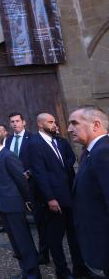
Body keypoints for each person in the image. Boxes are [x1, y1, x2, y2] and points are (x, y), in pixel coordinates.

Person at [28, 112, 88, 278]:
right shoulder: (34, 143)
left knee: (74, 233)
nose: (55, 124)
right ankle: (62, 271)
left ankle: (80, 267)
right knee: (55, 236)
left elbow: (68, 162)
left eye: (54, 121)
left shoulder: (59, 141)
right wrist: (50, 198)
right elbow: (39, 173)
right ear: (40, 124)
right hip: (53, 199)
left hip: (69, 195)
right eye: (50, 121)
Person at [0, 129, 40, 279]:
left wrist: (27, 200)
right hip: (4, 205)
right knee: (16, 241)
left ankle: (33, 274)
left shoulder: (8, 156)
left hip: (13, 205)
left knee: (23, 240)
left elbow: (21, 180)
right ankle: (26, 271)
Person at [67, 105, 109, 277]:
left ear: (96, 125)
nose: (69, 129)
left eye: (74, 123)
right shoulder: (90, 152)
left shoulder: (104, 152)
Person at [4, 113, 43, 261]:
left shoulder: (32, 139)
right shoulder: (7, 141)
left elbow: (38, 160)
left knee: (39, 221)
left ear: (24, 122)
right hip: (14, 188)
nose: (15, 124)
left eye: (17, 121)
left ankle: (43, 253)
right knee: (19, 223)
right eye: (12, 121)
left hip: (31, 184)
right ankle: (25, 252)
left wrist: (29, 172)